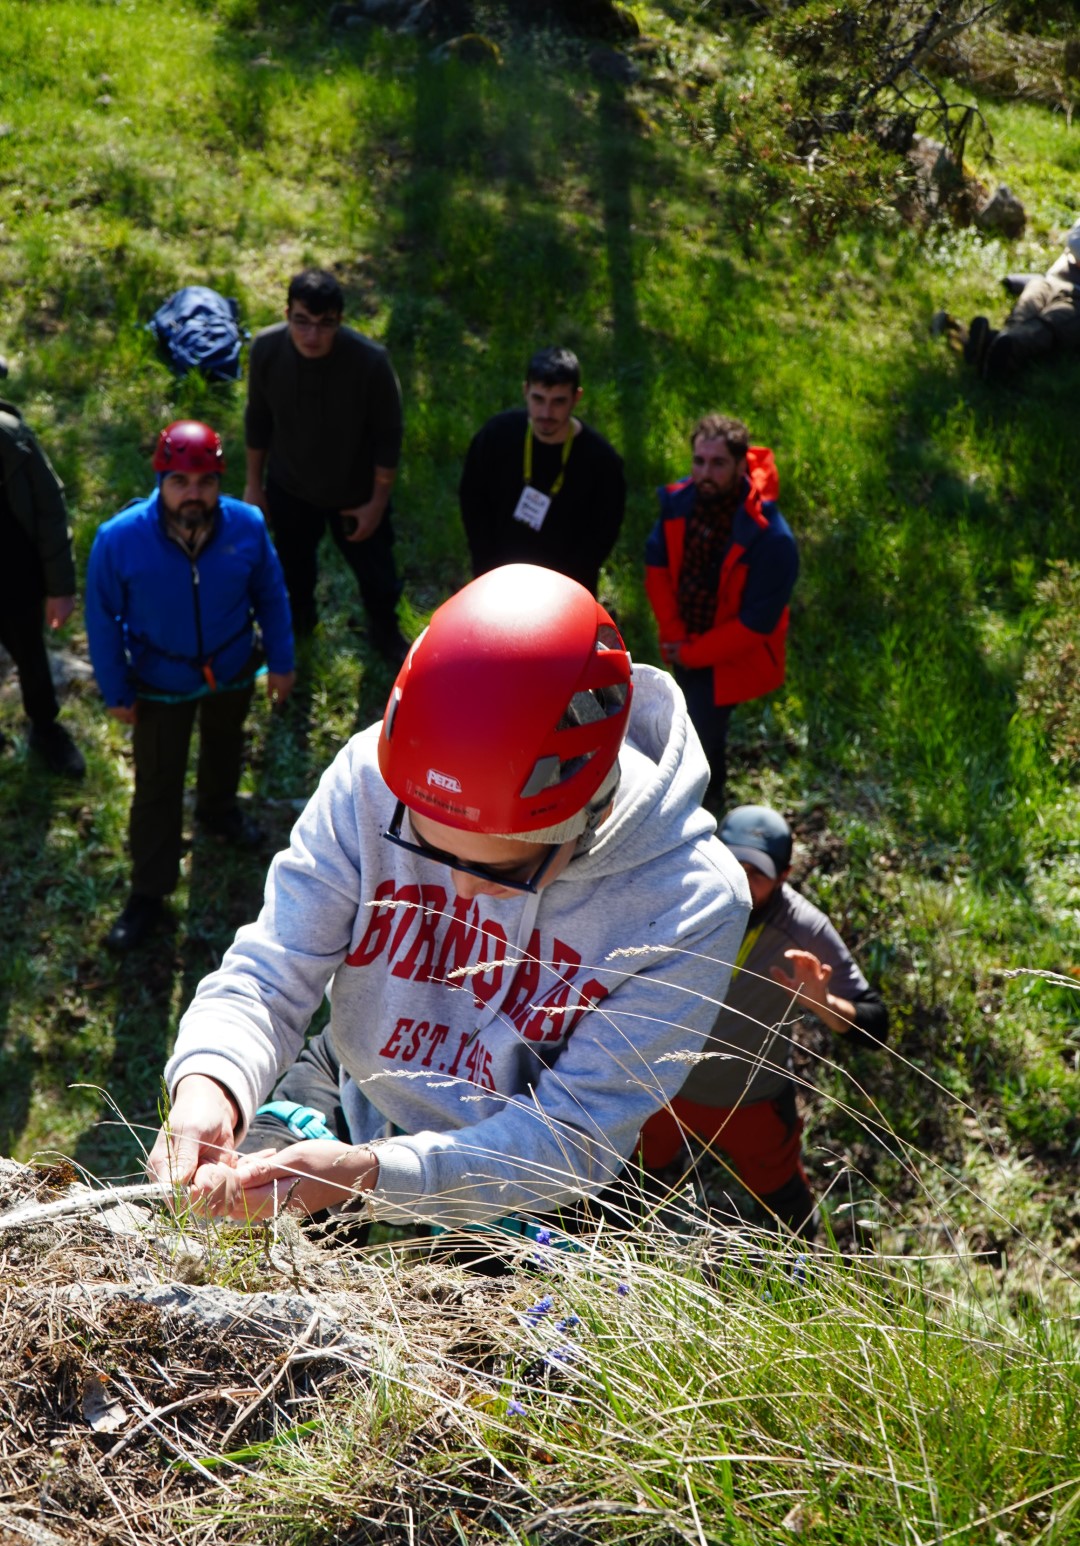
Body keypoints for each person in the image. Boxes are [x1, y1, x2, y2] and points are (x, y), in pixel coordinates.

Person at [146, 564, 750, 1234]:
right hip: (359, 1086)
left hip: (525, 1179)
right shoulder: (369, 781)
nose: (460, 891)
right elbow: (271, 972)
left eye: (506, 870)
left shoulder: (690, 903)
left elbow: (576, 1132)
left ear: (590, 811)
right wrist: (211, 1085)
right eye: (430, 850)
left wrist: (380, 1175)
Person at [85, 421, 295, 953]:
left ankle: (218, 810)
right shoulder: (119, 539)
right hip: (159, 681)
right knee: (157, 785)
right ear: (160, 480)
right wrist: (115, 688)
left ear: (220, 481)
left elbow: (271, 595)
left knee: (225, 746)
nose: (193, 494)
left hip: (230, 668)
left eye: (205, 482)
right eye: (180, 482)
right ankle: (149, 893)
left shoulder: (246, 526)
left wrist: (283, 663)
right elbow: (101, 617)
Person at [639, 805, 888, 1234]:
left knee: (785, 1206)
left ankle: (802, 1275)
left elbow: (875, 1026)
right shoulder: (680, 892)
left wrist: (824, 1005)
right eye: (732, 863)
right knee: (642, 1173)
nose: (740, 880)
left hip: (749, 1100)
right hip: (660, 1085)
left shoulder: (803, 928)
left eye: (756, 873)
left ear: (785, 875)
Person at [243, 268, 407, 659]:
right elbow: (258, 418)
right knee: (292, 571)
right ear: (287, 314)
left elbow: (389, 436)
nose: (312, 335)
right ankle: (297, 628)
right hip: (290, 487)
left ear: (340, 321)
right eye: (302, 321)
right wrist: (253, 483)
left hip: (355, 492)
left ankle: (384, 632)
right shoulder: (266, 349)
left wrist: (377, 503)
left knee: (378, 577)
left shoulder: (370, 362)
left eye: (325, 324)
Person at [644, 415, 798, 808]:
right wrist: (675, 635)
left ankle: (706, 807)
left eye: (718, 463)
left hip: (729, 658)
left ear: (741, 466)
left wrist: (693, 653)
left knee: (701, 736)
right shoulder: (680, 504)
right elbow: (657, 568)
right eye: (699, 461)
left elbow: (755, 624)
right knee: (692, 727)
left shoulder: (770, 537)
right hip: (685, 642)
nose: (705, 473)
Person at [459, 347, 626, 599]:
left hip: (567, 592)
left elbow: (600, 537)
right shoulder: (494, 437)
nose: (546, 413)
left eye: (558, 401)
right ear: (525, 391)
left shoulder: (601, 462)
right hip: (498, 580)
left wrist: (565, 591)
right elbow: (473, 504)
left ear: (576, 398)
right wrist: (488, 572)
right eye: (538, 399)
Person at [0, 400, 85, 777]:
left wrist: (60, 588)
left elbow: (50, 510)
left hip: (16, 578)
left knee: (31, 656)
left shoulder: (11, 439)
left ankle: (46, 728)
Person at [963, 221, 1080, 382]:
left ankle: (1003, 351)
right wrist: (1014, 281)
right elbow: (1074, 243)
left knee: (1049, 323)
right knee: (1026, 307)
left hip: (1076, 300)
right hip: (1048, 282)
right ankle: (998, 343)